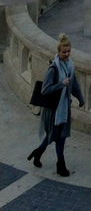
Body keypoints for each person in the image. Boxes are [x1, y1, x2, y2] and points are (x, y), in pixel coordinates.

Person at [28, 32, 85, 177]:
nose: (66, 54)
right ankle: (46, 156)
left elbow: (75, 83)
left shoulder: (70, 65)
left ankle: (55, 161)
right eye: (64, 52)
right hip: (53, 108)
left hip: (64, 107)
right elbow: (45, 90)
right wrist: (61, 84)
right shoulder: (53, 68)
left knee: (62, 136)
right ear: (58, 52)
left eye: (68, 51)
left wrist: (80, 98)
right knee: (53, 135)